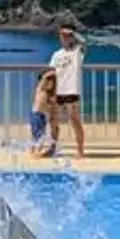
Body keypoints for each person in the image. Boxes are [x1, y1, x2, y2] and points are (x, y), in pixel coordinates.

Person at [47, 27, 87, 160]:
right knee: (53, 121)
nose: (64, 37)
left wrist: (74, 34)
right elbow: (51, 73)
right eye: (61, 35)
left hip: (72, 91)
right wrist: (49, 91)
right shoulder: (56, 54)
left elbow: (85, 43)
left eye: (66, 35)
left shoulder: (77, 52)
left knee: (75, 121)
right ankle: (53, 148)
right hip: (58, 92)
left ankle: (80, 150)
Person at [28, 69, 59, 158]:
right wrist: (55, 72)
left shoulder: (49, 95)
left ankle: (32, 150)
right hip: (36, 115)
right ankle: (36, 151)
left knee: (37, 135)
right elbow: (44, 78)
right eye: (48, 81)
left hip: (42, 116)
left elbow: (52, 108)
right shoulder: (40, 90)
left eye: (52, 82)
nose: (49, 84)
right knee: (39, 135)